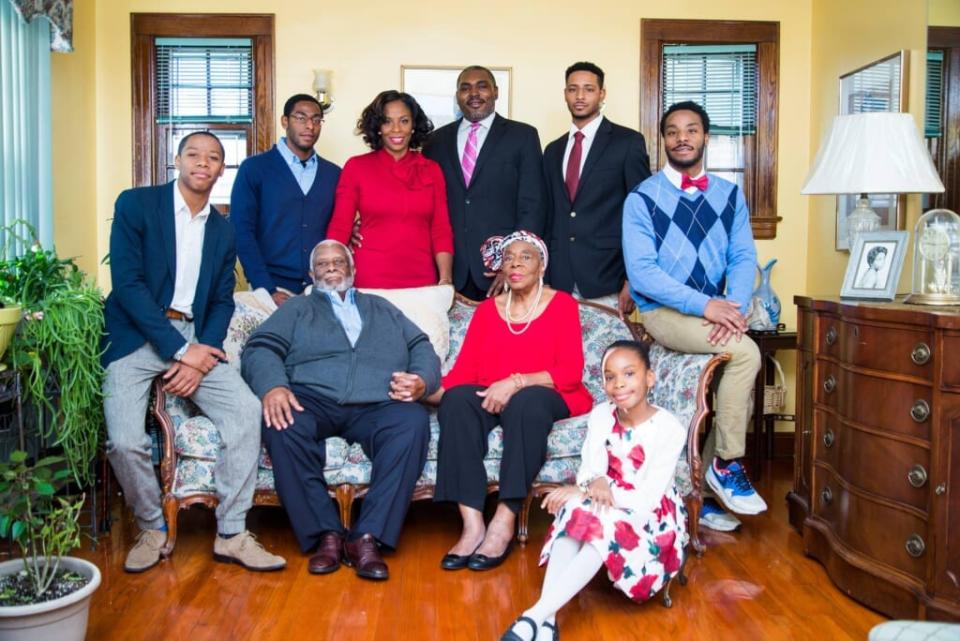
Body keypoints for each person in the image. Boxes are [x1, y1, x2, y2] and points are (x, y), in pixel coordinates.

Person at [103, 131, 286, 573]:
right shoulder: (136, 204)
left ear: (222, 169)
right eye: (194, 154)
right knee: (125, 441)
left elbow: (223, 299)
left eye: (214, 158)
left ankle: (232, 532)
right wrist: (181, 350)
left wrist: (202, 350)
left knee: (245, 412)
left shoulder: (224, 231)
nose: (203, 163)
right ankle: (152, 527)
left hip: (195, 336)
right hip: (135, 335)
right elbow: (128, 286)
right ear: (177, 160)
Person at [241, 239, 441, 581]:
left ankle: (367, 536)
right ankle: (326, 534)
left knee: (412, 421)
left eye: (339, 262)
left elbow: (420, 345)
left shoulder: (381, 307)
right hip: (311, 397)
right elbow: (259, 349)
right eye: (322, 264)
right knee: (282, 423)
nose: (331, 267)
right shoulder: (296, 309)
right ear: (311, 274)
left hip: (377, 401)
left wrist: (422, 380)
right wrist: (273, 387)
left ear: (353, 269)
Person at [623, 101, 767, 525]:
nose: (682, 137)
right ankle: (726, 464)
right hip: (663, 312)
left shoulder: (729, 194)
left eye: (691, 130)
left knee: (734, 364)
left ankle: (700, 493)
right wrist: (707, 306)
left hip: (717, 311)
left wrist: (733, 310)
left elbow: (743, 257)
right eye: (672, 131)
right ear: (662, 140)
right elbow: (643, 274)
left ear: (705, 137)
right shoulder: (642, 198)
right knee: (747, 354)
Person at [499, 341, 687, 641]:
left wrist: (592, 489)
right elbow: (590, 468)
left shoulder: (670, 429)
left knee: (599, 520)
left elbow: (647, 498)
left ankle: (534, 616)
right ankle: (547, 623)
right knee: (575, 509)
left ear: (649, 378)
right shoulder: (602, 414)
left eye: (629, 374)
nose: (619, 384)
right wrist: (591, 483)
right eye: (610, 377)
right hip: (602, 500)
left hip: (649, 515)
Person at [430, 231, 592, 571]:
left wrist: (515, 382)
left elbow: (570, 371)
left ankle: (503, 520)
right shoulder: (489, 311)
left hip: (549, 393)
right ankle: (472, 524)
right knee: (458, 401)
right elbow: (463, 372)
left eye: (526, 256)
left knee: (527, 403)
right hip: (494, 392)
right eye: (508, 258)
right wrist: (423, 389)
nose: (515, 262)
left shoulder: (562, 303)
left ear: (542, 265)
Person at [423, 66, 546, 299]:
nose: (474, 93)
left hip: (502, 272)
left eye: (482, 86)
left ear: (495, 92)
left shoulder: (522, 136)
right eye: (465, 88)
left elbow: (532, 204)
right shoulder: (435, 142)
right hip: (448, 271)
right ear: (457, 95)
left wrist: (513, 263)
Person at [543, 62, 650, 317]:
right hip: (558, 279)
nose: (580, 96)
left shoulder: (628, 143)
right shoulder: (552, 150)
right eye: (573, 89)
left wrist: (632, 280)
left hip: (608, 277)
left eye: (589, 89)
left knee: (608, 356)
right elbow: (548, 215)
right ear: (565, 94)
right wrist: (543, 274)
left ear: (602, 94)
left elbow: (642, 215)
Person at [326, 90, 453, 288]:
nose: (396, 129)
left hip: (421, 280)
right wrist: (330, 274)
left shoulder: (432, 170)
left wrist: (445, 279)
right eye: (387, 121)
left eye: (404, 121)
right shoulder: (356, 167)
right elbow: (340, 225)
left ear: (413, 126)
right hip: (369, 277)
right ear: (377, 127)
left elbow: (441, 229)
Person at [231, 94, 341, 305]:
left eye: (316, 120)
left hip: (320, 289)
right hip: (270, 286)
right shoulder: (254, 169)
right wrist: (266, 288)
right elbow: (242, 232)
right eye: (301, 117)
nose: (310, 125)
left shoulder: (334, 174)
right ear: (285, 121)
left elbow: (338, 225)